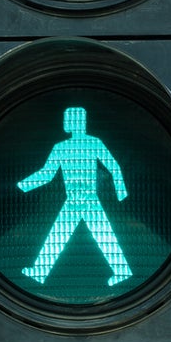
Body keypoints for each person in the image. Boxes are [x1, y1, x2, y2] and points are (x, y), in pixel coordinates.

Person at [18, 106, 132, 287]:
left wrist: (22, 186)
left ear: (71, 123)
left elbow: (47, 174)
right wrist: (22, 186)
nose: (66, 122)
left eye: (68, 119)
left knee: (80, 234)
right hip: (80, 199)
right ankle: (122, 271)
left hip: (83, 199)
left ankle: (40, 272)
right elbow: (113, 167)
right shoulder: (80, 144)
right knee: (83, 234)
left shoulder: (67, 146)